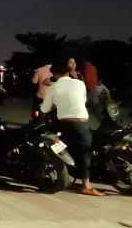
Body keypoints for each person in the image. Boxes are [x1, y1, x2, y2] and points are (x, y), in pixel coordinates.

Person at [41, 59, 103, 196]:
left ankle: (67, 180)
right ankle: (86, 185)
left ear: (55, 75)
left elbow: (45, 109)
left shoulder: (54, 87)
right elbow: (84, 100)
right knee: (86, 152)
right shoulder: (80, 84)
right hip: (81, 122)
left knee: (61, 149)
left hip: (64, 123)